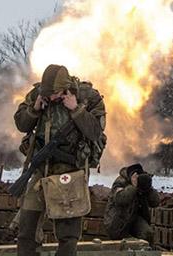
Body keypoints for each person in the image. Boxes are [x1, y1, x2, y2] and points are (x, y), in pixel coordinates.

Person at [14, 64, 106, 256]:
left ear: (65, 88)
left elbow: (95, 133)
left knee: (68, 236)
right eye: (47, 93)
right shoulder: (37, 95)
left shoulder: (88, 97)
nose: (51, 97)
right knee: (26, 230)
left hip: (71, 172)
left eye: (54, 93)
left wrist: (76, 109)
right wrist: (35, 108)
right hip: (41, 169)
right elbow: (21, 124)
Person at [104, 163, 159, 245]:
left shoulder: (142, 183)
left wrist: (148, 188)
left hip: (134, 219)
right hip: (118, 220)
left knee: (147, 234)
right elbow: (121, 199)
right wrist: (133, 186)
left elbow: (155, 202)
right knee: (126, 244)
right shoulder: (120, 182)